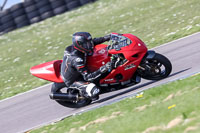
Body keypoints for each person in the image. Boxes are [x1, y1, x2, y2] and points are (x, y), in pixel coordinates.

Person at [50, 32, 111, 101]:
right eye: (87, 44)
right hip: (74, 80)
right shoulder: (77, 59)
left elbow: (93, 41)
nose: (90, 46)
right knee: (94, 91)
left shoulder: (77, 47)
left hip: (76, 70)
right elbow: (88, 77)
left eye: (89, 43)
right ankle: (84, 95)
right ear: (80, 45)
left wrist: (106, 38)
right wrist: (103, 69)